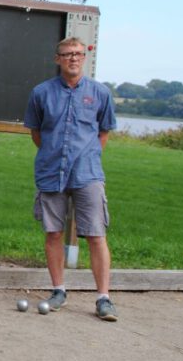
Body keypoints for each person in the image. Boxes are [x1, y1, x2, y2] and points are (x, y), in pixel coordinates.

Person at [24, 37, 118, 321]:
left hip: (87, 174)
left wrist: (85, 156)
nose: (73, 59)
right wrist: (55, 155)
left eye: (77, 54)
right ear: (58, 59)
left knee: (95, 234)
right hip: (51, 172)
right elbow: (36, 132)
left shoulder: (100, 93)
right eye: (67, 55)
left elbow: (103, 133)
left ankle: (103, 298)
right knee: (53, 233)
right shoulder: (41, 93)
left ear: (85, 57)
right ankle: (58, 290)